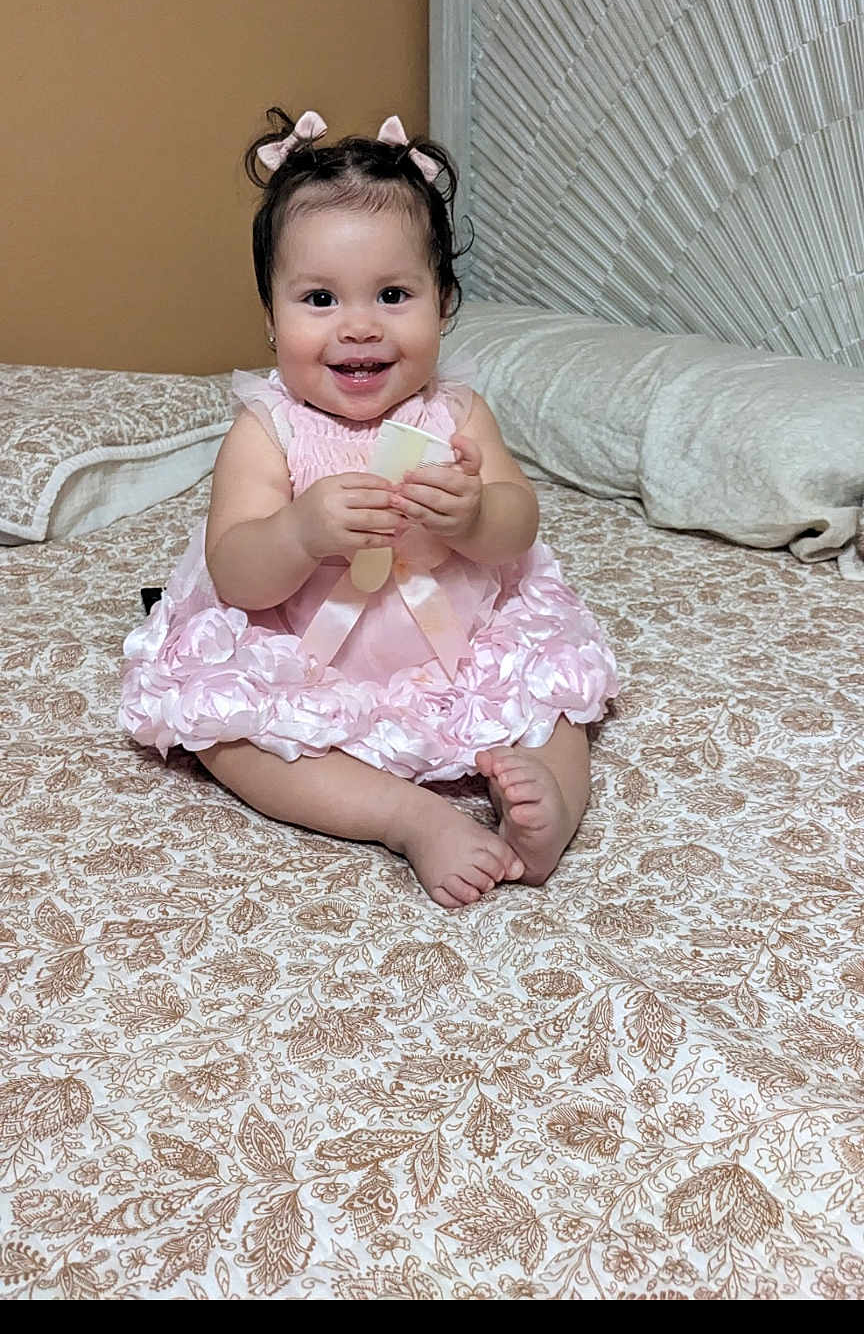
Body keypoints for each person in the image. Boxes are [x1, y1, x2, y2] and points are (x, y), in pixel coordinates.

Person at [120, 109, 618, 908]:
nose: (358, 326)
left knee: (553, 695)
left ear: (443, 303)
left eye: (393, 294)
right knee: (222, 732)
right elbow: (239, 572)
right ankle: (407, 818)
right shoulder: (267, 430)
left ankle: (548, 816)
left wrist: (474, 516)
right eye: (319, 298)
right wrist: (298, 530)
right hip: (305, 645)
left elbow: (519, 522)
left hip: (457, 638)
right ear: (270, 316)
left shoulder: (456, 414)